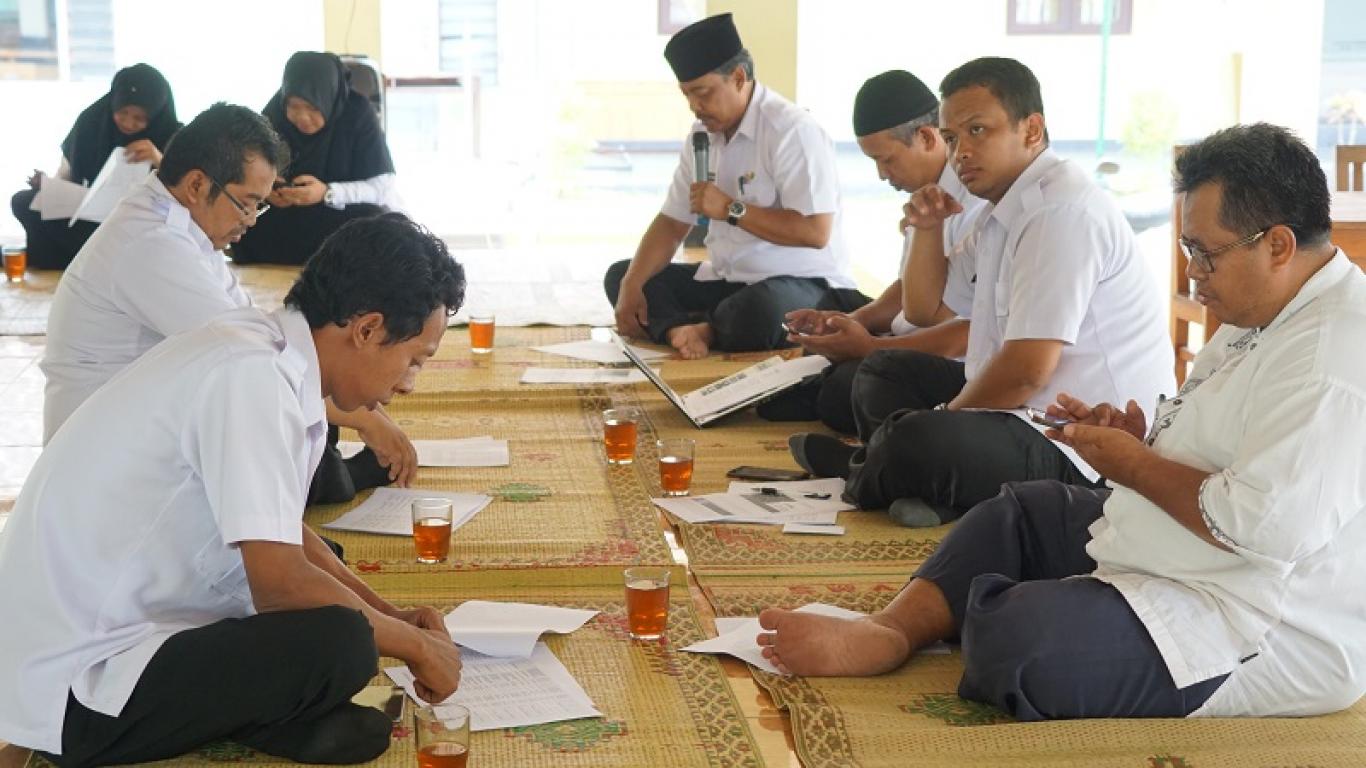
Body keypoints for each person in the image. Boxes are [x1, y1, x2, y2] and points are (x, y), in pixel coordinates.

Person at [757, 123, 1366, 721]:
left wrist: (1133, 463)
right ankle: (889, 631)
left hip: (1255, 619)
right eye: (1188, 250)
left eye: (1203, 253)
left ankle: (1027, 616)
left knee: (1025, 643)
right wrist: (1142, 440)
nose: (1192, 274)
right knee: (1022, 512)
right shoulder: (1265, 304)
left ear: (1278, 245)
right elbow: (1227, 439)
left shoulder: (1330, 355)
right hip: (1183, 549)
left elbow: (1264, 527)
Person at [0, 213, 467, 765]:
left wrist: (392, 613)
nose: (410, 382)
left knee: (345, 621)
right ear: (365, 329)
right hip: (79, 683)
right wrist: (411, 646)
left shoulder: (268, 357)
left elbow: (280, 529)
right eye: (414, 359)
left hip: (132, 626)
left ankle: (264, 720)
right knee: (340, 643)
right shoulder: (249, 376)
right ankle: (260, 718)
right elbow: (279, 583)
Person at [789, 57, 1173, 527]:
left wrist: (945, 415)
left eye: (977, 131)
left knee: (918, 437)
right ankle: (909, 482)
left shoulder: (1060, 213)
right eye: (952, 138)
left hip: (1083, 447)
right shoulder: (1004, 210)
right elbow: (926, 309)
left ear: (1031, 130)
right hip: (1024, 411)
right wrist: (927, 228)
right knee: (882, 371)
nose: (960, 153)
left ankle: (872, 470)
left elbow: (1027, 373)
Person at [39, 102, 416, 503]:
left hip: (140, 425)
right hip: (103, 460)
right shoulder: (150, 244)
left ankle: (323, 482)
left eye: (260, 205)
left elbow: (257, 328)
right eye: (247, 203)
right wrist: (367, 419)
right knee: (278, 413)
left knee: (307, 408)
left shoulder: (182, 227)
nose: (252, 219)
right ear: (198, 185)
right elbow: (252, 358)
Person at [604, 13, 860, 359]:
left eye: (703, 93)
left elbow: (815, 232)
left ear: (739, 78)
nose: (695, 107)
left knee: (759, 311)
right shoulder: (701, 135)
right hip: (727, 281)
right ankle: (689, 329)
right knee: (624, 275)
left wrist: (730, 209)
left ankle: (702, 328)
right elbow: (671, 223)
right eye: (687, 95)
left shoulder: (792, 131)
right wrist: (631, 285)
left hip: (802, 284)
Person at [757, 70, 981, 434]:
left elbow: (963, 331)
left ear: (926, 137)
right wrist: (853, 322)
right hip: (904, 342)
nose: (881, 175)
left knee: (849, 384)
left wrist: (871, 347)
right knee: (824, 358)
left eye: (887, 160)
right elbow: (910, 288)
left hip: (950, 358)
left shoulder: (977, 202)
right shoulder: (930, 192)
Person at [230, 51, 397, 266]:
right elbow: (248, 168)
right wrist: (268, 191)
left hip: (338, 212)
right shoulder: (275, 114)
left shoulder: (357, 114)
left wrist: (325, 192)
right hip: (289, 215)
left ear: (328, 99)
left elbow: (381, 187)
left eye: (312, 107)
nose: (302, 117)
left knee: (374, 222)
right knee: (246, 221)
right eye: (293, 106)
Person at [9, 63, 180, 270]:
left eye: (139, 118)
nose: (128, 123)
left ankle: (78, 260)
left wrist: (157, 157)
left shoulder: (173, 135)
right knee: (23, 201)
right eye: (122, 112)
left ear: (155, 116)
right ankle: (91, 261)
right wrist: (47, 187)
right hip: (93, 218)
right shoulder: (92, 121)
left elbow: (188, 190)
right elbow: (67, 174)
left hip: (140, 222)